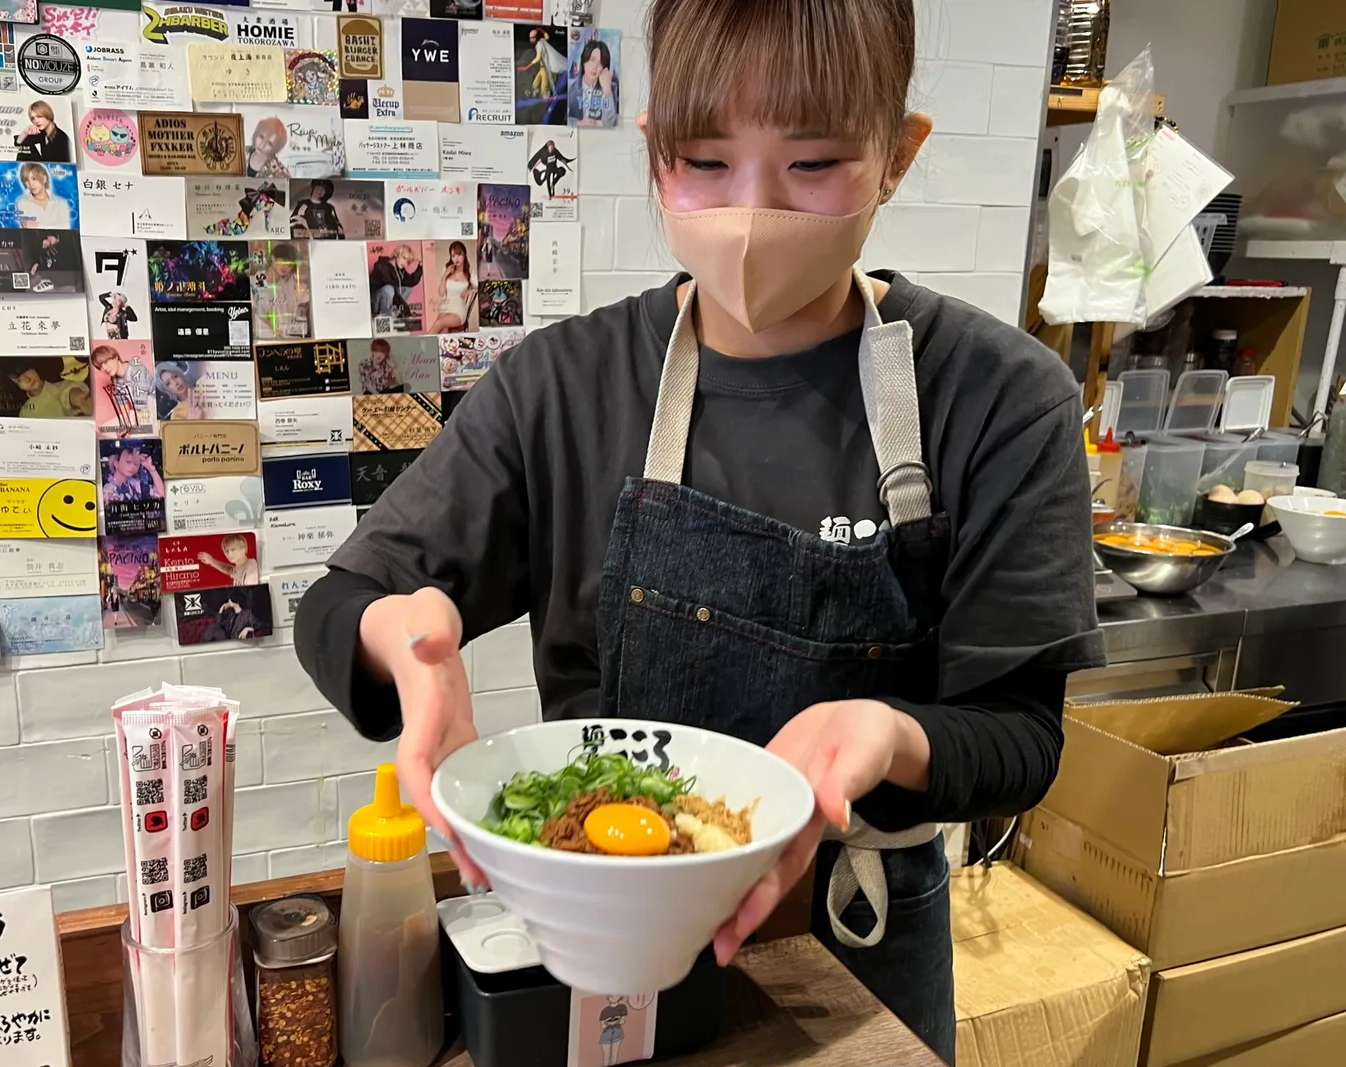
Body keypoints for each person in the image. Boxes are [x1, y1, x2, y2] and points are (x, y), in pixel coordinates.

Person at [293, 2, 1104, 1062]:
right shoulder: (565, 386)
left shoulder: (996, 397)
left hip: (854, 946)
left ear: (896, 155)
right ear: (651, 153)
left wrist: (890, 734)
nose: (751, 213)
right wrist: (401, 636)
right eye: (706, 163)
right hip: (603, 937)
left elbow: (1022, 735)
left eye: (814, 163)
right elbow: (336, 606)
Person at [91, 344, 148, 432]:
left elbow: (142, 403)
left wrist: (136, 424)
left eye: (105, 362)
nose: (104, 368)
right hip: (140, 414)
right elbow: (123, 404)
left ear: (115, 357)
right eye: (100, 367)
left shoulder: (135, 369)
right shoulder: (115, 381)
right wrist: (126, 426)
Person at [427, 242, 477, 334]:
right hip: (447, 308)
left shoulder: (469, 274)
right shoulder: (448, 271)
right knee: (443, 330)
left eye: (459, 254)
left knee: (440, 322)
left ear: (464, 254)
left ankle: (423, 343)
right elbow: (441, 293)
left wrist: (470, 291)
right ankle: (434, 347)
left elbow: (481, 286)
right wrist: (445, 274)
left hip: (459, 311)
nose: (456, 258)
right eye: (453, 256)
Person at [369, 244, 423, 327]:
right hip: (375, 303)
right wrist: (405, 308)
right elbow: (391, 283)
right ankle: (385, 317)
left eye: (408, 262)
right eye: (404, 259)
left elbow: (412, 281)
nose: (405, 264)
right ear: (396, 254)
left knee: (407, 287)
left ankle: (396, 312)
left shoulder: (400, 271)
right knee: (389, 289)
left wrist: (420, 267)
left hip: (389, 302)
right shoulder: (381, 265)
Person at [569, 36, 618, 128]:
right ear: (584, 61)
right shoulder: (570, 87)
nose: (595, 67)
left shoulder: (612, 89)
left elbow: (610, 124)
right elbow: (561, 120)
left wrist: (606, 91)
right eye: (592, 60)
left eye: (600, 63)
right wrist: (577, 123)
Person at [12, 362, 90, 418]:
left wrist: (81, 400)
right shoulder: (25, 412)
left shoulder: (63, 385)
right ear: (18, 386)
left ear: (34, 368)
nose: (27, 379)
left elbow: (69, 393)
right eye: (19, 380)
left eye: (26, 370)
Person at [15, 163, 72, 229]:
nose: (31, 184)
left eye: (34, 179)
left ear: (44, 179)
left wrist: (37, 225)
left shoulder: (61, 203)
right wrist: (55, 225)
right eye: (27, 180)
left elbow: (65, 227)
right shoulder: (22, 202)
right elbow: (28, 227)